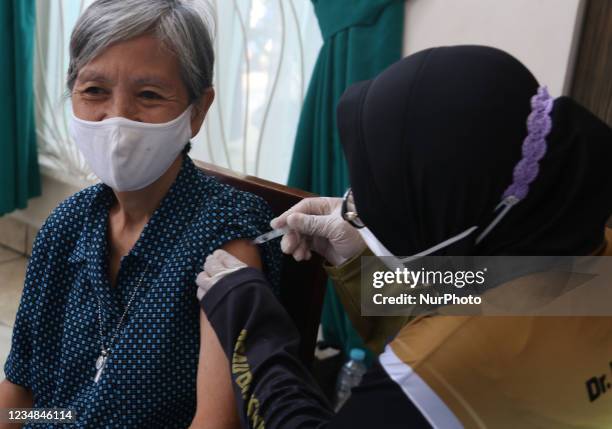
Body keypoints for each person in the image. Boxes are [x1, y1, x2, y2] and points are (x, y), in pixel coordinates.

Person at [194, 46, 612, 428]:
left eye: (379, 205)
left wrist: (250, 322)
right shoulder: (585, 248)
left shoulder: (447, 366)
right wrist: (362, 271)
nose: (358, 212)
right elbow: (492, 295)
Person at [0, 1, 280, 428]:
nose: (116, 118)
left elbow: (215, 423)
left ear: (198, 111)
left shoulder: (225, 240)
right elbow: (24, 392)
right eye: (94, 90)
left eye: (149, 95)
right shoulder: (66, 226)